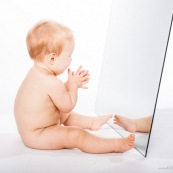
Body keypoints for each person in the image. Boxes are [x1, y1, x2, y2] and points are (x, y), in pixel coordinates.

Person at [14, 20, 135, 154]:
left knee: (64, 115)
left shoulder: (35, 73)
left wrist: (69, 84)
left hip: (29, 132)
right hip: (39, 134)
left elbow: (55, 96)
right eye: (69, 56)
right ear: (52, 59)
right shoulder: (51, 82)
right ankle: (114, 145)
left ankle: (91, 122)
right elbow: (67, 105)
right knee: (75, 135)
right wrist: (73, 85)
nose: (70, 60)